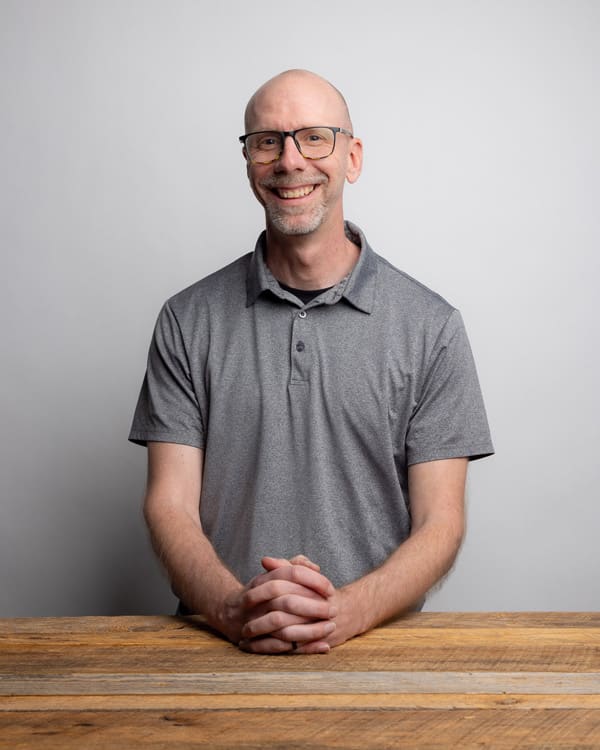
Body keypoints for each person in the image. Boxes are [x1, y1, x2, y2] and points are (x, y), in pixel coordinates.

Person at [129, 69, 494, 654]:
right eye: (267, 142)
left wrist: (347, 613)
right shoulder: (186, 319)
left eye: (314, 138)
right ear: (248, 162)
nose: (290, 161)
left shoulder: (432, 328)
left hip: (373, 646)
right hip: (219, 648)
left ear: (353, 157)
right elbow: (168, 505)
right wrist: (232, 609)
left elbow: (441, 522)